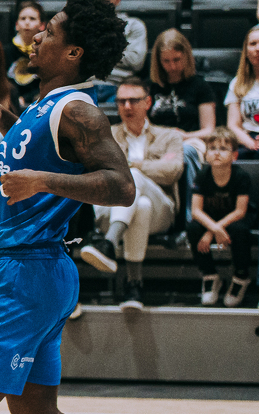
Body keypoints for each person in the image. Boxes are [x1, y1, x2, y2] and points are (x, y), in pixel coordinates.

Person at [0, 0, 135, 414]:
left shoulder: (78, 110)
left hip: (23, 275)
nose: (35, 36)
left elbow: (122, 186)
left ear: (73, 53)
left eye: (48, 32)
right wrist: (7, 118)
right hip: (40, 273)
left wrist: (44, 182)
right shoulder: (45, 105)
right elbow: (44, 152)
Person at [76, 77, 182, 309]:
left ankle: (108, 244)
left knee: (133, 177)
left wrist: (134, 166)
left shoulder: (169, 136)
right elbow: (99, 172)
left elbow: (172, 170)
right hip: (110, 210)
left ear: (148, 102)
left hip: (161, 212)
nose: (126, 106)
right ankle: (134, 285)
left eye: (133, 100)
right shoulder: (106, 136)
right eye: (121, 101)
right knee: (140, 205)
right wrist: (146, 167)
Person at [147, 28, 218, 216]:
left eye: (177, 60)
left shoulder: (200, 86)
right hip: (158, 141)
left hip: (190, 141)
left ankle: (189, 215)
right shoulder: (151, 87)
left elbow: (209, 130)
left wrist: (184, 135)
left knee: (183, 153)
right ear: (158, 61)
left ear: (186, 56)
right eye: (166, 61)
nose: (172, 66)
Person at [186, 127, 252, 307]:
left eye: (223, 149)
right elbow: (196, 211)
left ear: (235, 156)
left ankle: (241, 276)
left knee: (240, 229)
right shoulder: (202, 176)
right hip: (212, 221)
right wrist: (213, 229)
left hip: (234, 220)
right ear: (206, 154)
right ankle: (210, 275)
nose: (217, 153)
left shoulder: (241, 176)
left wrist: (213, 231)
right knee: (193, 228)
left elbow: (240, 212)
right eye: (213, 148)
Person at [88, 0, 147, 103]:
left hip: (120, 87)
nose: (102, 3)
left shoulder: (134, 26)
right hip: (85, 86)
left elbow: (136, 62)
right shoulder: (79, 26)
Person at [222, 25, 259, 161]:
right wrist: (250, 142)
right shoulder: (237, 83)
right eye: (253, 44)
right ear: (246, 51)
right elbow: (233, 125)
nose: (258, 48)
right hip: (248, 140)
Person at [8, 1, 46, 108]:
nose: (27, 22)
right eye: (23, 18)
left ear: (42, 25)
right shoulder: (6, 51)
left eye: (32, 19)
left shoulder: (47, 52)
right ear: (16, 25)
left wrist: (26, 98)